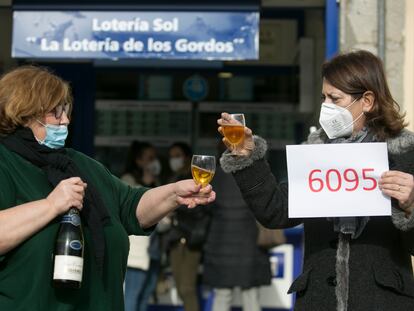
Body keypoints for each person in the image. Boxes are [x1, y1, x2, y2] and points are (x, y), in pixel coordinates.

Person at [0, 66, 215, 311]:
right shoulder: (5, 162)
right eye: (55, 112)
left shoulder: (78, 163)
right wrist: (50, 206)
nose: (65, 120)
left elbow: (130, 206)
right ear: (23, 114)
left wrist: (174, 193)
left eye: (66, 110)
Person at [217, 50, 414, 311]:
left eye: (335, 98)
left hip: (384, 301)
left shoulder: (404, 151)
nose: (326, 107)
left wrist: (412, 206)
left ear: (367, 101)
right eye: (324, 98)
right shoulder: (315, 152)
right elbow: (276, 213)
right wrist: (247, 157)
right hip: (318, 300)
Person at [203, 161, 272, 311]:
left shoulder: (215, 176)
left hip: (221, 243)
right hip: (249, 243)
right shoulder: (254, 173)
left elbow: (205, 208)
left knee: (222, 295)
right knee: (250, 295)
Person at [122, 141, 166, 311]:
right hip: (136, 254)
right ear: (138, 161)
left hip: (153, 251)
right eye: (150, 158)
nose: (154, 162)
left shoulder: (157, 182)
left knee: (145, 296)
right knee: (132, 296)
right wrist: (147, 185)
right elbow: (134, 208)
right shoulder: (127, 180)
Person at [166, 142, 210, 311]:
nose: (173, 160)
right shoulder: (171, 179)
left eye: (177, 155)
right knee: (180, 286)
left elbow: (202, 208)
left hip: (192, 238)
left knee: (187, 287)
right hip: (175, 238)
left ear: (186, 157)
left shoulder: (197, 180)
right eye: (171, 156)